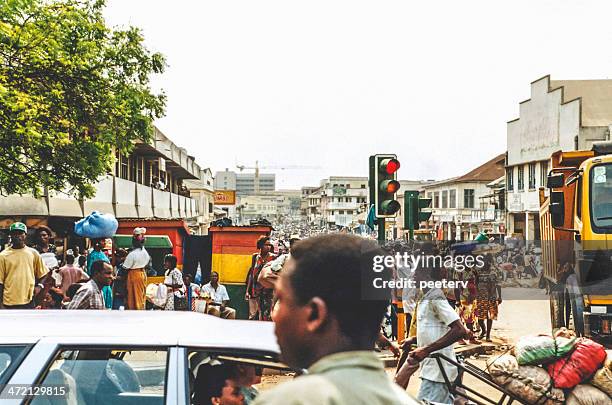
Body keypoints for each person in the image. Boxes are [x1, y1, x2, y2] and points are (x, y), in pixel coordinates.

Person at [252, 234, 417, 405]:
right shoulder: (407, 401)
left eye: (282, 300)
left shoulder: (284, 401)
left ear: (315, 314)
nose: (275, 314)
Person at [404, 263, 468, 404]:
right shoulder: (425, 297)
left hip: (439, 371)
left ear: (426, 276)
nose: (413, 277)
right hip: (431, 370)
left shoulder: (435, 297)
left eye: (417, 273)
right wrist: (414, 340)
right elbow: (435, 330)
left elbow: (459, 330)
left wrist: (426, 350)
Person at [0, 222, 49, 309]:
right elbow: (0, 282)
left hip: (29, 300)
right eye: (14, 233)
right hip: (9, 301)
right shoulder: (3, 255)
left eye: (20, 233)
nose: (17, 236)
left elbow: (44, 273)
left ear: (25, 235)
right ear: (11, 235)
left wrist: (39, 286)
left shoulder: (33, 253)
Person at [245, 236, 275, 320]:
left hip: (268, 290)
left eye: (270, 245)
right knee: (255, 313)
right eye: (266, 245)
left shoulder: (273, 257)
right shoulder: (255, 257)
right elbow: (251, 274)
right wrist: (248, 291)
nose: (268, 247)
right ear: (261, 246)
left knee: (267, 312)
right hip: (256, 289)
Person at [123, 227, 151, 310]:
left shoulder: (132, 254)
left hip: (134, 276)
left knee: (133, 299)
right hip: (142, 274)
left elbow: (125, 268)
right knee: (141, 298)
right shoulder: (145, 253)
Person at [476, 254, 502, 342]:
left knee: (490, 317)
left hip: (492, 297)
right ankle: (483, 330)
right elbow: (475, 282)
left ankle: (488, 335)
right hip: (480, 297)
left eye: (485, 262)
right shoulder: (478, 271)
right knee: (480, 318)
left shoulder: (493, 272)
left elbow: (498, 284)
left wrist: (500, 296)